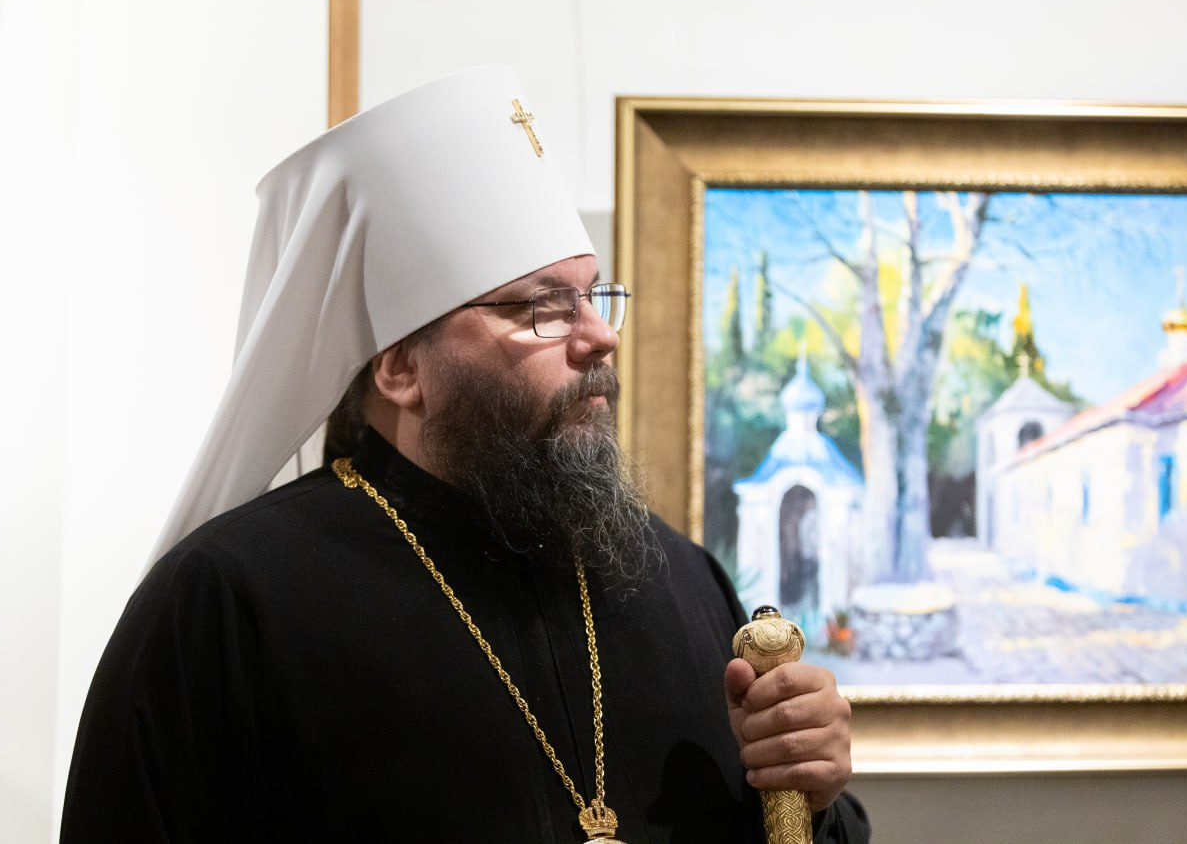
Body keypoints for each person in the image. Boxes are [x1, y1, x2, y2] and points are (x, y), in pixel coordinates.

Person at [61, 65, 871, 843]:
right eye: (543, 309)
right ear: (400, 367)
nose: (599, 336)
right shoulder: (226, 605)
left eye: (595, 296)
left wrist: (813, 796)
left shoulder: (684, 581)